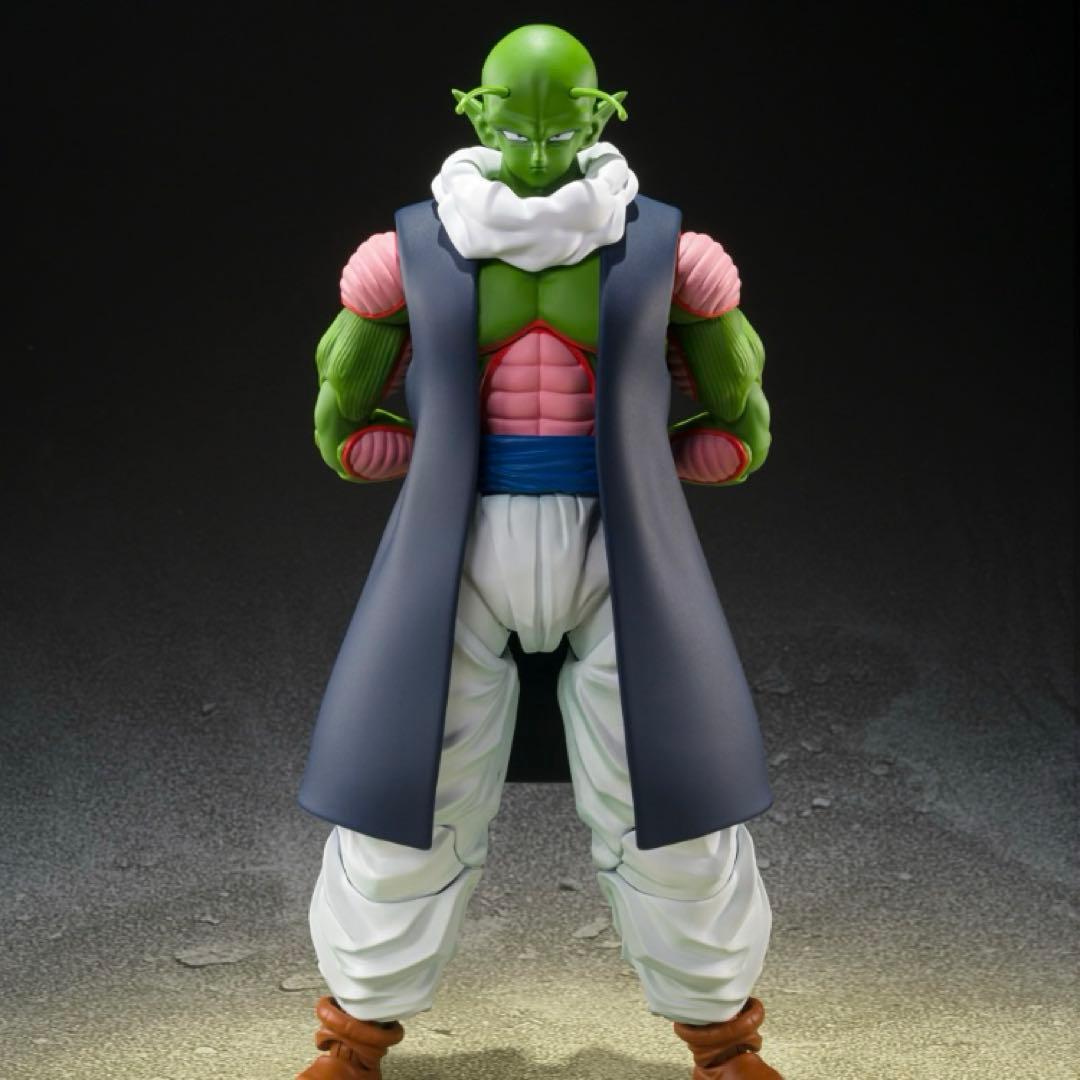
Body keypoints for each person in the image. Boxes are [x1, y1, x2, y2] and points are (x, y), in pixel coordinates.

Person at [297, 23, 781, 1080]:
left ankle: (721, 1039)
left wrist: (697, 452)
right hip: (458, 546)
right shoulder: (403, 255)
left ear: (601, 117)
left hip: (622, 549)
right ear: (475, 113)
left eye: (560, 128)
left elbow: (741, 417)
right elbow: (341, 416)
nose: (536, 148)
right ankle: (353, 1036)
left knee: (669, 793)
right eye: (515, 126)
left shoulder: (670, 253)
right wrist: (398, 449)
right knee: (406, 792)